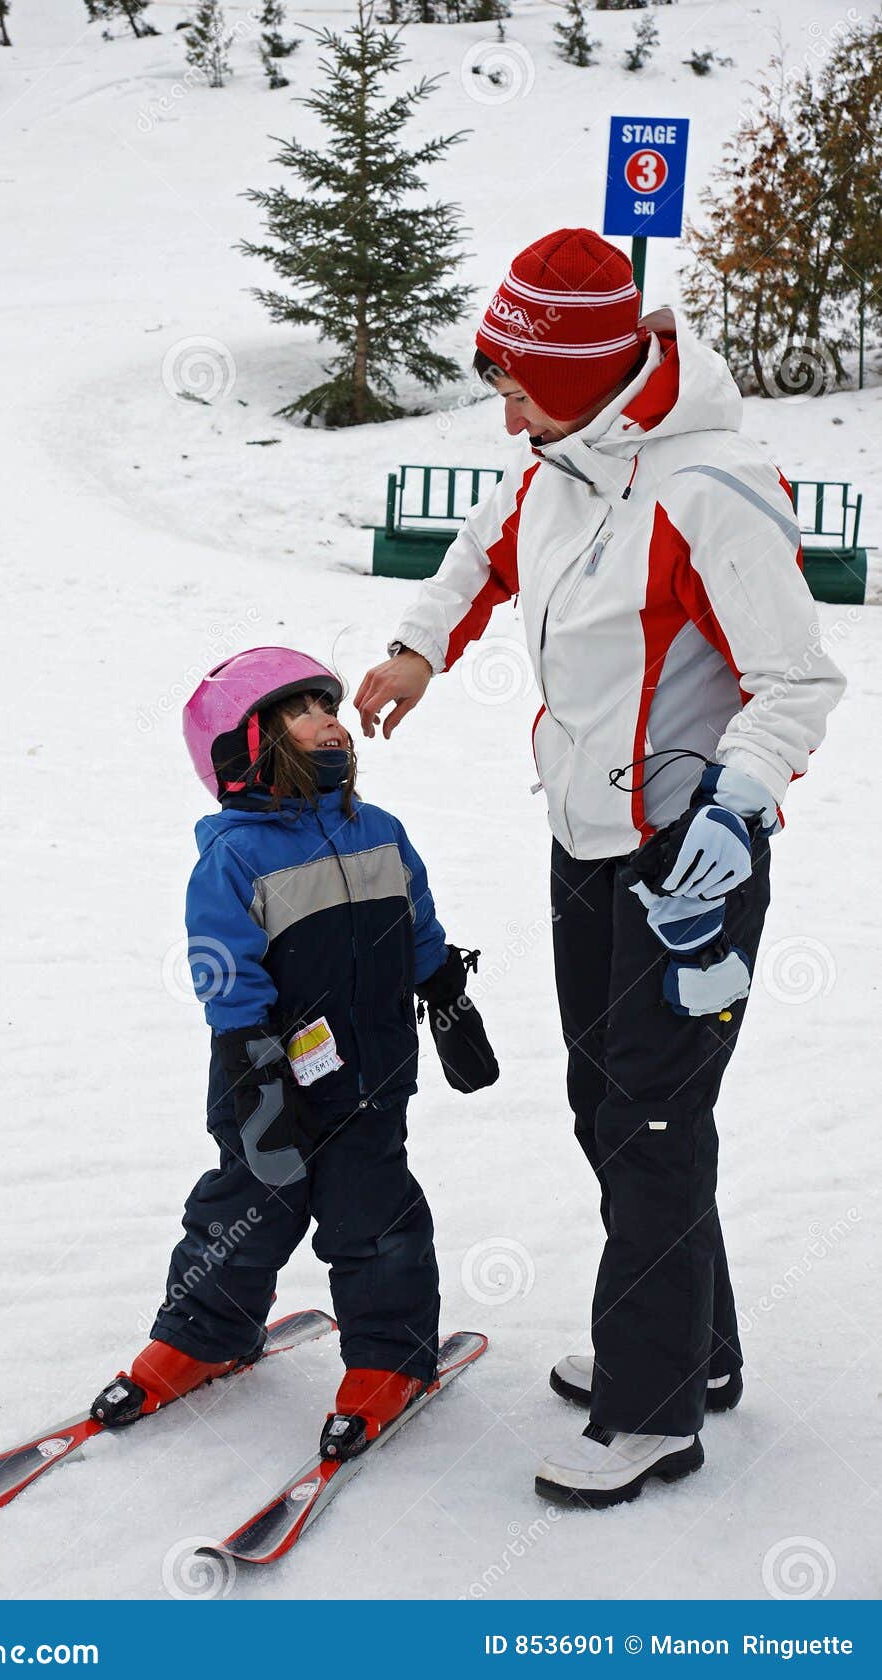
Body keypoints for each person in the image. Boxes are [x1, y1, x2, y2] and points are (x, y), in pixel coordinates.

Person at [354, 227, 846, 1507]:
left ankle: (649, 1410)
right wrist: (418, 649)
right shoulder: (558, 463)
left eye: (514, 377)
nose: (498, 401)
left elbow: (795, 679)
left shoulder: (708, 486)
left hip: (691, 856)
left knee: (651, 1115)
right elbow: (482, 548)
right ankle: (696, 1348)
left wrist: (731, 817)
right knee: (606, 1102)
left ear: (578, 370)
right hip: (585, 836)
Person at [91, 646, 498, 1454]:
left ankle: (391, 1357)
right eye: (304, 713)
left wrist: (446, 989)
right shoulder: (235, 854)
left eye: (331, 709)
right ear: (249, 746)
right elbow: (222, 965)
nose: (331, 723)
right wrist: (249, 1060)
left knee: (374, 1215)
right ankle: (205, 1334)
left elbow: (415, 922)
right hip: (266, 1076)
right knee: (243, 1209)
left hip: (371, 1072)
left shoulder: (379, 832)